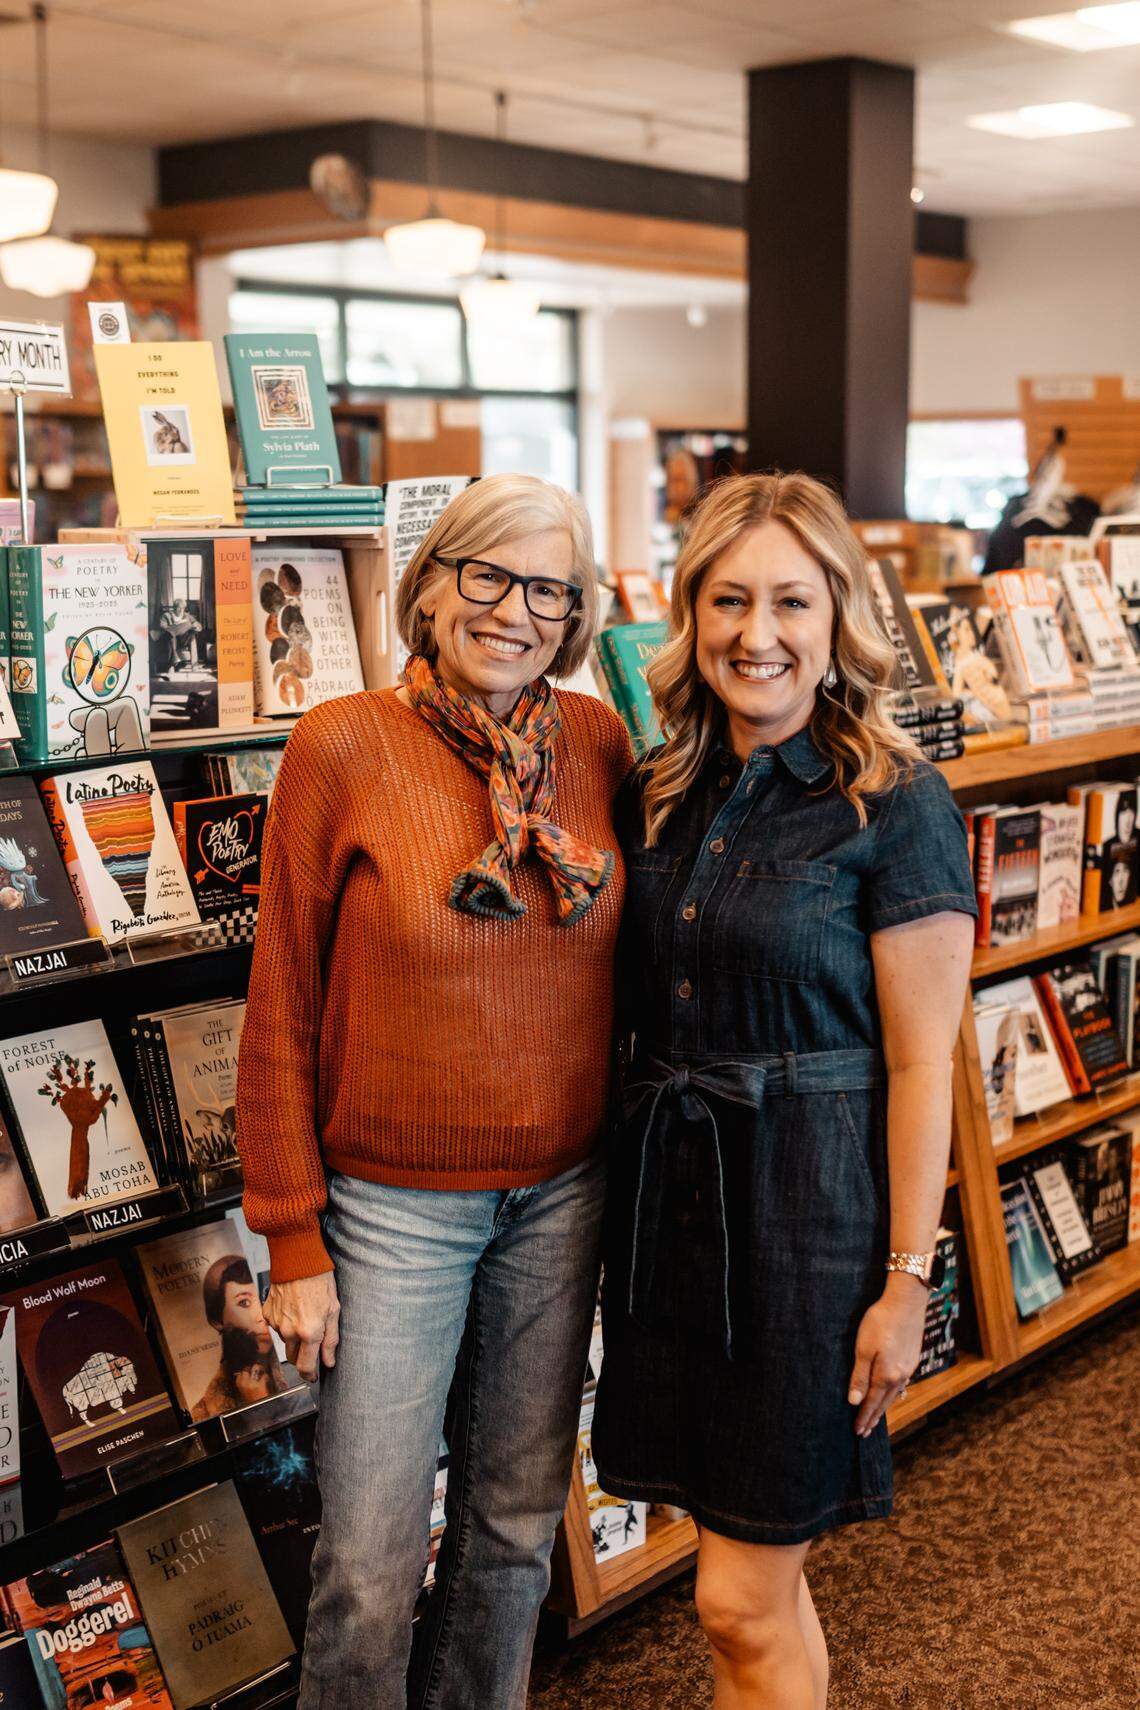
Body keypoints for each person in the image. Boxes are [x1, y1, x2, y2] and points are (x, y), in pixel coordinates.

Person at [235, 474, 632, 1710]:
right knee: (366, 1558)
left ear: (576, 613)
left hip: (563, 1194)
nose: (516, 611)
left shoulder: (601, 745)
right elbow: (283, 995)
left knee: (514, 1531)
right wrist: (291, 1237)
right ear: (433, 582)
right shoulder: (343, 743)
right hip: (390, 1211)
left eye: (548, 588)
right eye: (489, 575)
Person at [592, 472, 977, 1710]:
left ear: (836, 618)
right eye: (729, 599)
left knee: (736, 1599)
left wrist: (907, 1283)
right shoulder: (661, 789)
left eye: (791, 603)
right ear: (689, 615)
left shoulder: (895, 801)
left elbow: (925, 1064)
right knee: (755, 1582)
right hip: (676, 1223)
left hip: (809, 1232)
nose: (758, 634)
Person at [190, 1254, 290, 1422]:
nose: (262, 1314)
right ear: (217, 1321)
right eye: (244, 1303)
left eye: (263, 1296)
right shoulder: (206, 1411)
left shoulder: (297, 1359)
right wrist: (259, 1406)